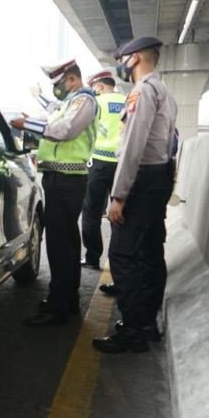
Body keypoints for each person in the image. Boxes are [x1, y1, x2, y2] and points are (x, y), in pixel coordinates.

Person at [92, 36, 178, 353]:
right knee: (151, 249)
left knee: (124, 254)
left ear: (135, 59)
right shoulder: (165, 91)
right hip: (160, 175)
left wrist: (118, 195)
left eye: (124, 58)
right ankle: (148, 323)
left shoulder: (141, 92)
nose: (121, 64)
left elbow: (132, 146)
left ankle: (134, 330)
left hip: (142, 178)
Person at [10, 59, 97, 326]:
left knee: (60, 245)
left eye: (59, 84)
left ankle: (59, 307)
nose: (57, 89)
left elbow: (65, 130)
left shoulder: (85, 101)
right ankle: (66, 299)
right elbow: (57, 112)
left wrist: (28, 125)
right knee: (67, 244)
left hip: (66, 180)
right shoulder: (72, 102)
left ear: (72, 79)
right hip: (62, 179)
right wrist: (38, 106)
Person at [80, 70, 126, 271]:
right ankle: (118, 262)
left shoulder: (96, 103)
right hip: (122, 163)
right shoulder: (128, 100)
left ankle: (92, 258)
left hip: (97, 163)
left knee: (91, 212)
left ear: (98, 86)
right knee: (120, 213)